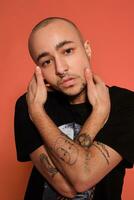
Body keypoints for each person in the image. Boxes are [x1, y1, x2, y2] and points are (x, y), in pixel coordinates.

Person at [14, 17, 134, 200]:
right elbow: (69, 188)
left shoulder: (125, 103)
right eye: (47, 61)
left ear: (87, 49)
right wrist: (98, 115)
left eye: (68, 51)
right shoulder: (30, 104)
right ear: (39, 69)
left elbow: (82, 179)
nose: (61, 69)